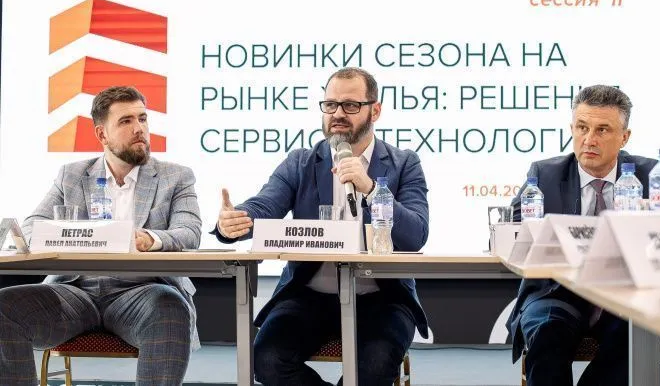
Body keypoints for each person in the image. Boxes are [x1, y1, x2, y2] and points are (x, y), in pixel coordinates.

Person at [215, 67, 429, 386]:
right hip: (309, 295)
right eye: (330, 105)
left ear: (375, 111)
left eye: (350, 105)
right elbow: (265, 206)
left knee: (374, 366)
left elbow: (416, 234)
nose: (337, 114)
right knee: (267, 359)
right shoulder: (301, 162)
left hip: (383, 298)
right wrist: (236, 221)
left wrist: (372, 189)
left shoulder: (404, 163)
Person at [0, 86, 202, 386]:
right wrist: (65, 235)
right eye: (126, 121)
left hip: (142, 292)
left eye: (143, 118)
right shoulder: (72, 175)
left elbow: (189, 232)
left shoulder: (176, 177)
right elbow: (32, 226)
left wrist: (150, 239)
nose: (139, 128)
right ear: (101, 134)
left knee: (170, 307)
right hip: (76, 291)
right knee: (5, 307)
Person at [506, 85, 660, 386]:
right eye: (582, 127)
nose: (589, 139)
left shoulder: (652, 176)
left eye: (602, 130)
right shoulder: (544, 175)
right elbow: (513, 235)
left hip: (626, 296)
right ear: (572, 129)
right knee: (547, 332)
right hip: (556, 293)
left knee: (636, 333)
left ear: (624, 137)